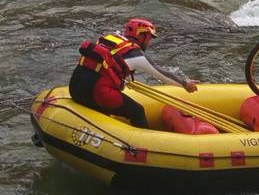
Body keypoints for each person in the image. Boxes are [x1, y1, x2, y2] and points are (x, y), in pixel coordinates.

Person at [69, 18, 198, 128]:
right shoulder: (135, 54)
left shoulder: (109, 39)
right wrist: (184, 84)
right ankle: (146, 145)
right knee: (138, 112)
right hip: (97, 93)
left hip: (74, 88)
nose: (149, 42)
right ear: (141, 36)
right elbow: (161, 74)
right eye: (149, 38)